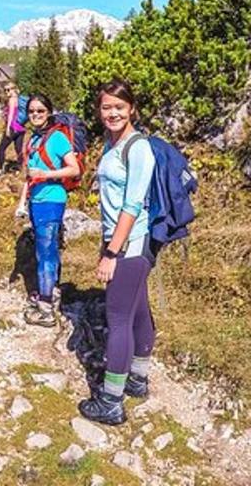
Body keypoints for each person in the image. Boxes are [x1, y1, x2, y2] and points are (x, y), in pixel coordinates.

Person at [79, 78, 156, 426]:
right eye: (106, 107)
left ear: (132, 109)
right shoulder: (112, 145)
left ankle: (111, 400)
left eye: (119, 107)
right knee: (138, 310)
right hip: (123, 241)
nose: (112, 113)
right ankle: (137, 379)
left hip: (129, 244)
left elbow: (133, 204)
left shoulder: (137, 148)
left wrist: (111, 253)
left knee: (119, 319)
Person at [14, 94, 80, 327]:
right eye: (32, 112)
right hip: (36, 201)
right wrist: (22, 202)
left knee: (46, 252)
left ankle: (45, 308)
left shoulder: (58, 138)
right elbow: (28, 175)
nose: (35, 115)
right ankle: (50, 293)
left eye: (40, 111)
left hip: (52, 201)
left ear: (49, 112)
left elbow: (73, 169)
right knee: (47, 250)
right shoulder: (33, 140)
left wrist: (47, 175)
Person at [0, 85, 26, 173]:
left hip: (12, 127)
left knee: (1, 148)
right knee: (18, 149)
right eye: (5, 90)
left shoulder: (12, 100)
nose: (6, 92)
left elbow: (11, 115)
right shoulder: (20, 100)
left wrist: (8, 128)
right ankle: (21, 168)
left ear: (14, 90)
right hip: (20, 128)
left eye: (8, 90)